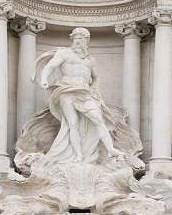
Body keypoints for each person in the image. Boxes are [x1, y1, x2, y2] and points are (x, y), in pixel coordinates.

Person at [36, 27, 125, 165]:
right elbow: (49, 66)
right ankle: (78, 156)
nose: (78, 42)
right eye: (76, 39)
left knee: (98, 119)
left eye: (81, 39)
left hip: (84, 93)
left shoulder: (90, 60)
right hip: (66, 91)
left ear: (86, 41)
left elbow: (96, 78)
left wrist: (94, 89)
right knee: (72, 124)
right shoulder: (64, 53)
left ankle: (110, 149)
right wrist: (43, 79)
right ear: (72, 39)